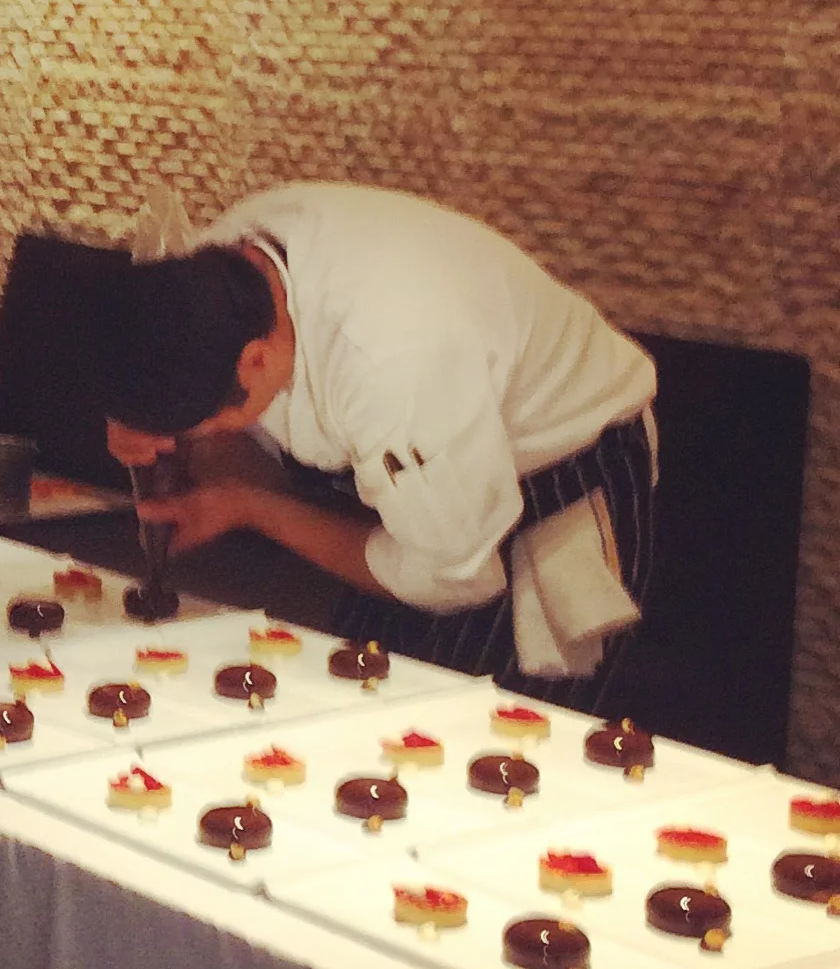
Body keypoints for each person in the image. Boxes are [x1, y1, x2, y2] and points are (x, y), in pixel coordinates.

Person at [103, 180, 658, 711]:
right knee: (362, 699)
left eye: (209, 426)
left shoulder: (391, 363)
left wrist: (254, 508)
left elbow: (454, 576)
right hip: (417, 479)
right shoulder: (220, 268)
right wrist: (137, 420)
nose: (204, 443)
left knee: (502, 738)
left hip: (558, 477)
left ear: (255, 360)